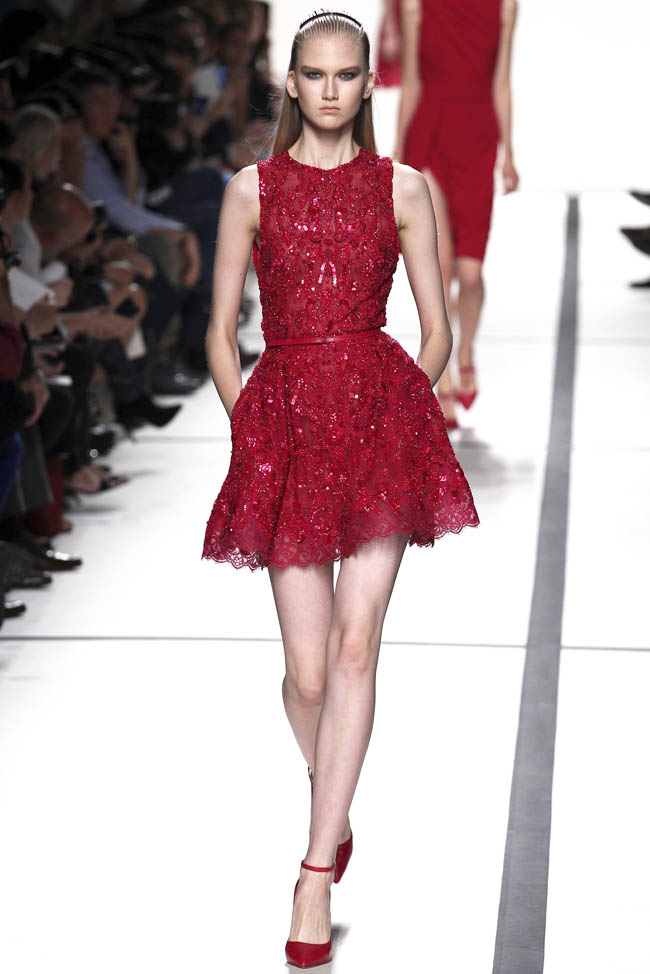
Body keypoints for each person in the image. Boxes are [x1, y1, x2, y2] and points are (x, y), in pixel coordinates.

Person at [201, 10, 479, 967]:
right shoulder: (251, 190)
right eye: (313, 74)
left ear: (369, 82)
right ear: (291, 82)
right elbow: (219, 332)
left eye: (345, 74)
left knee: (357, 648)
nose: (329, 90)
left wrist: (402, 410)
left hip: (375, 433)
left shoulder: (405, 188)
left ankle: (313, 873)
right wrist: (249, 429)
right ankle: (337, 800)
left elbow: (436, 329)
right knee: (309, 675)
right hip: (285, 431)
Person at [395, 0, 519, 429]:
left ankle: (466, 350)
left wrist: (509, 153)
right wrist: (399, 152)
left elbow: (501, 81)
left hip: (478, 136)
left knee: (470, 274)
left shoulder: (504, 6)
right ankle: (444, 376)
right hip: (429, 132)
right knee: (442, 266)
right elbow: (412, 80)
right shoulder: (415, 5)